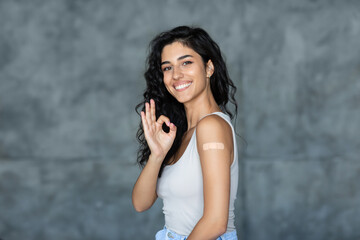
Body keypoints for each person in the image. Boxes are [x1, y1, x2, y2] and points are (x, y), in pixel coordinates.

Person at [132, 26, 239, 240]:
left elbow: (216, 222)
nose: (176, 75)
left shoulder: (212, 128)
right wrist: (157, 155)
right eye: (167, 67)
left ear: (209, 68)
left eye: (186, 62)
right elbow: (140, 203)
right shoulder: (180, 132)